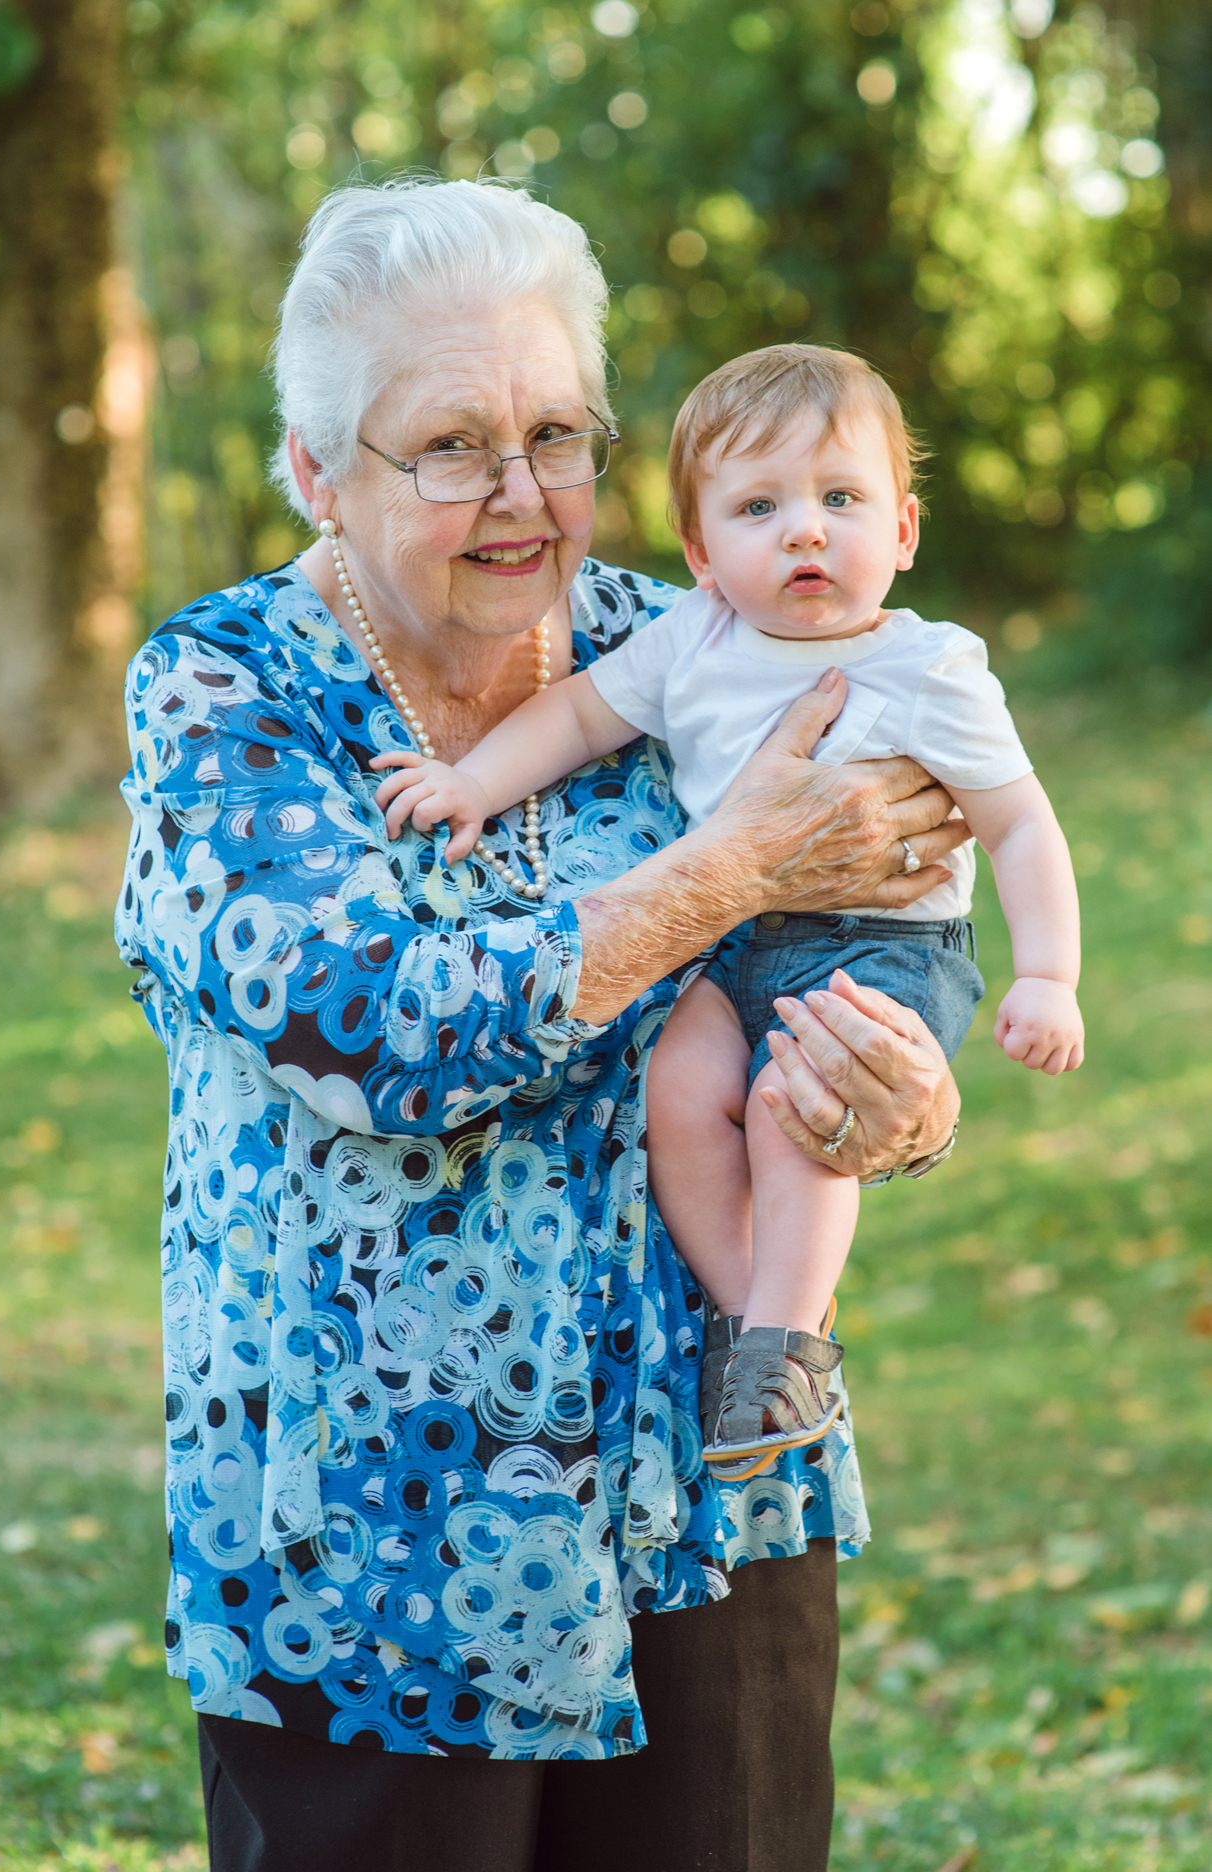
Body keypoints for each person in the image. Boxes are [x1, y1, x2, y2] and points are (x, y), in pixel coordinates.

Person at [115, 178, 968, 1871]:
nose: (522, 497)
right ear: (317, 470)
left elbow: (883, 916)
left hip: (713, 1491)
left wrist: (901, 1098)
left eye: (558, 435)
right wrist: (715, 877)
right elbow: (364, 1030)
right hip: (375, 1543)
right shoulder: (225, 688)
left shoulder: (705, 641)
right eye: (451, 448)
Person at [372, 343, 1081, 1477]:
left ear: (901, 531)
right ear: (701, 553)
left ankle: (778, 1346)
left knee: (794, 1103)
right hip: (731, 941)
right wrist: (468, 784)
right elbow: (571, 720)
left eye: (840, 499)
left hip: (882, 947)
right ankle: (756, 1321)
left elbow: (1019, 825)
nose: (805, 530)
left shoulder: (931, 671)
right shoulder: (690, 639)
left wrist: (1047, 974)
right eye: (760, 507)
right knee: (680, 1083)